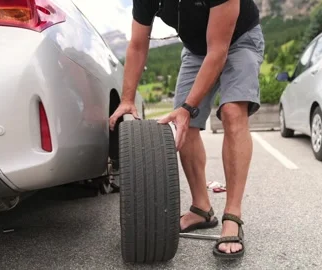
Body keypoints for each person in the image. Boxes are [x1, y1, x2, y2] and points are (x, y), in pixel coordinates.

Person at [109, 0, 264, 259]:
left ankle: (232, 216)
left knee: (232, 112)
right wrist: (127, 100)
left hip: (238, 39)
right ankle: (202, 208)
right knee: (185, 125)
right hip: (196, 50)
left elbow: (218, 50)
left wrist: (187, 106)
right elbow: (137, 45)